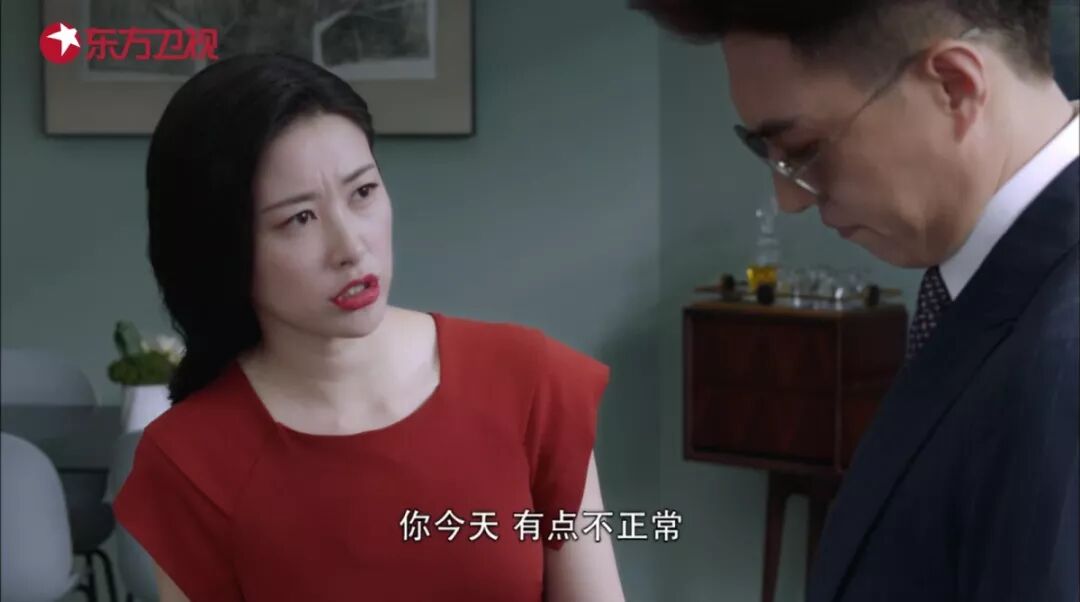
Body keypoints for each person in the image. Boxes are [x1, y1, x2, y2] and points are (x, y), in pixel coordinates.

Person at [112, 53, 625, 602]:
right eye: (299, 219)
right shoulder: (191, 458)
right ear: (221, 249)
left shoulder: (528, 379)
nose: (351, 246)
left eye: (362, 192)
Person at [634, 1, 1078, 601]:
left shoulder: (1063, 354)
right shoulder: (990, 292)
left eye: (804, 149)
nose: (789, 198)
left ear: (953, 88)